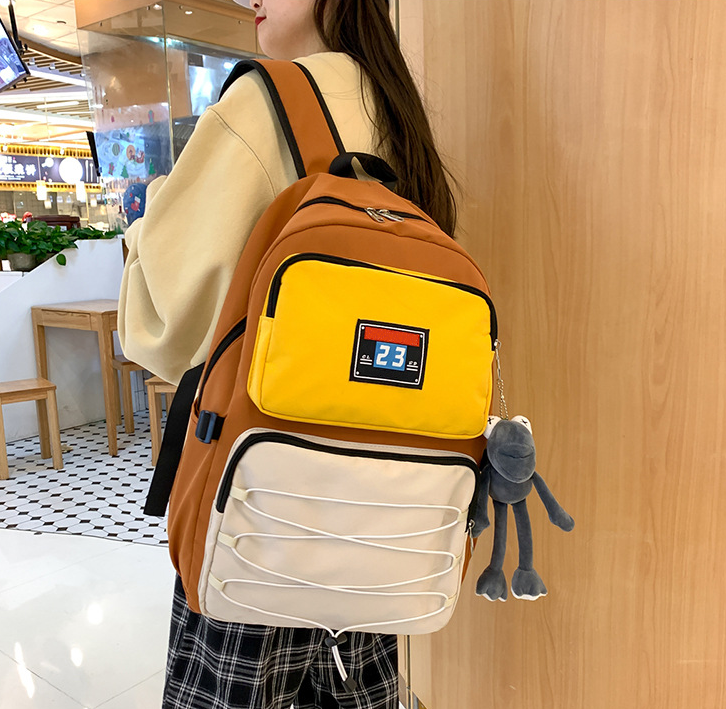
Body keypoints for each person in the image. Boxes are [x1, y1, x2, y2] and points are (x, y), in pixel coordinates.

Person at [119, 0, 458, 706]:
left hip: (263, 509)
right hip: (382, 516)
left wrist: (147, 217)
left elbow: (168, 324)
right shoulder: (400, 115)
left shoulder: (263, 104)